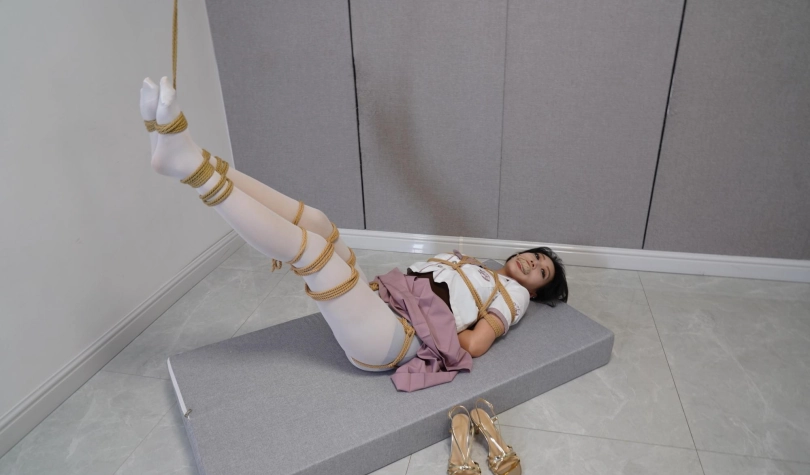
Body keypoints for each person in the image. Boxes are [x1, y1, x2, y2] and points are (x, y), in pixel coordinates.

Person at [140, 76, 568, 391]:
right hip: (382, 302)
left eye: (541, 271)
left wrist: (432, 329)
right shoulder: (475, 265)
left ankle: (190, 169)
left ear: (536, 291)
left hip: (394, 339)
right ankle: (191, 155)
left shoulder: (513, 297)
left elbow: (473, 344)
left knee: (313, 253)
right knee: (319, 223)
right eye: (535, 255)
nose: (533, 262)